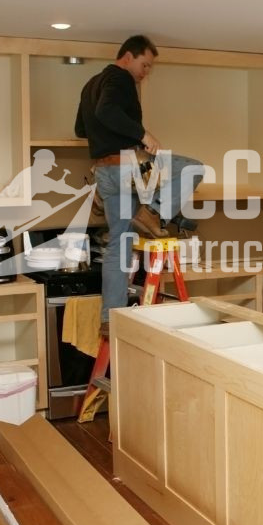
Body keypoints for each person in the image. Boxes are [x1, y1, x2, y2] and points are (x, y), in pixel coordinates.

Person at [75, 35, 203, 337]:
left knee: (119, 244)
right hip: (127, 167)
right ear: (128, 57)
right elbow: (107, 112)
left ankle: (110, 318)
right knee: (193, 168)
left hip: (104, 172)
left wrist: (106, 136)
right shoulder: (119, 79)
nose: (146, 72)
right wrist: (142, 135)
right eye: (145, 65)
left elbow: (81, 128)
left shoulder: (90, 84)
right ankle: (153, 212)